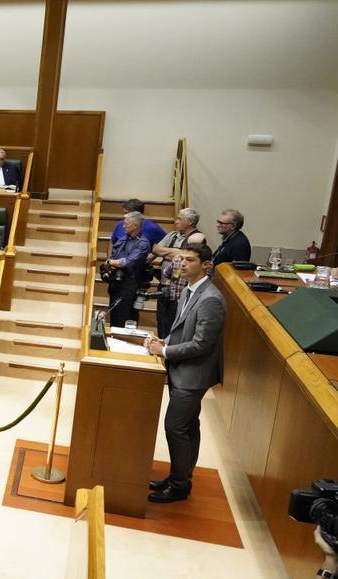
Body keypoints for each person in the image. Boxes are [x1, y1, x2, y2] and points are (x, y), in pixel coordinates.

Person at [146, 244, 224, 504]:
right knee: (189, 426)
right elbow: (181, 330)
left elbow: (203, 343)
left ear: (206, 265)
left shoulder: (211, 298)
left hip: (194, 374)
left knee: (175, 427)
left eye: (190, 260)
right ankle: (181, 476)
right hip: (182, 369)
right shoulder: (188, 291)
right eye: (181, 259)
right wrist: (164, 340)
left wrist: (166, 350)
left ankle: (179, 485)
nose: (183, 264)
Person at [153, 208, 204, 338]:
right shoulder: (172, 235)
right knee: (161, 318)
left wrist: (174, 253)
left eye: (180, 219)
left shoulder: (196, 238)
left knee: (173, 322)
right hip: (165, 285)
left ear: (191, 222)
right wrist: (176, 251)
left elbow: (184, 255)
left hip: (181, 290)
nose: (176, 221)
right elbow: (156, 249)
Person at [105, 211, 152, 327]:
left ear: (135, 225)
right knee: (114, 314)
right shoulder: (122, 239)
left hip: (130, 284)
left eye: (126, 223)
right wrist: (110, 263)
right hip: (116, 281)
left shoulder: (143, 243)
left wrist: (111, 262)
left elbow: (128, 262)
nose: (123, 226)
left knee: (125, 316)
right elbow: (114, 255)